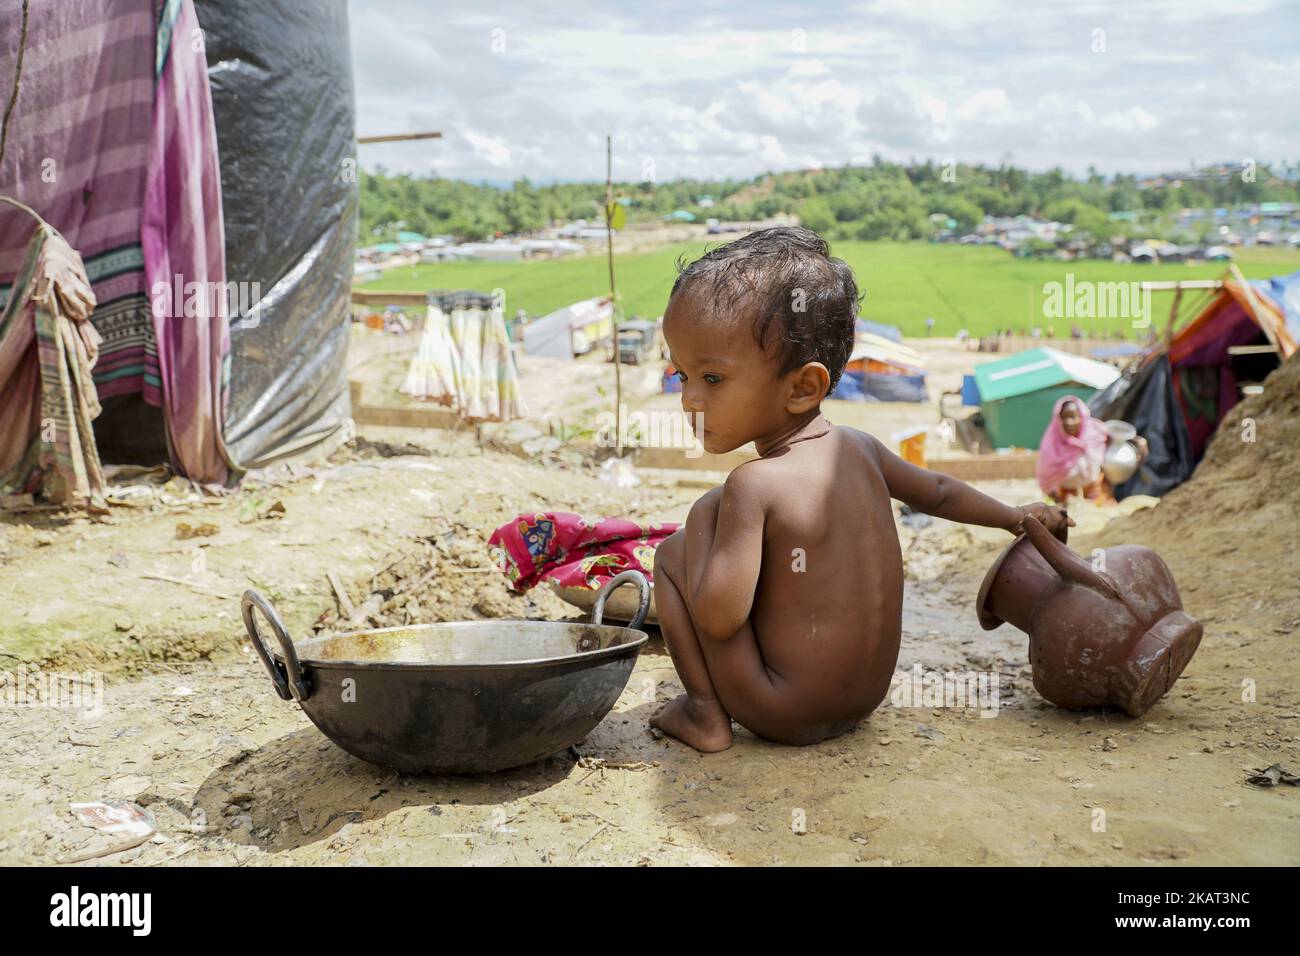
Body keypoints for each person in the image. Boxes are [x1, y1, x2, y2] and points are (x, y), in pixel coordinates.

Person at [649, 227, 1072, 753]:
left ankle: (705, 714)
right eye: (681, 374)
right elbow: (939, 492)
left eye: (711, 379)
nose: (689, 399)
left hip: (779, 709)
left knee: (672, 553)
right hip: (863, 700)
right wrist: (1016, 515)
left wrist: (703, 522)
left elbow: (717, 617)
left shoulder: (753, 484)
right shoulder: (862, 447)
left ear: (803, 387)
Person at [1035, 396, 1147, 505]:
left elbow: (1117, 434)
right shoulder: (1051, 443)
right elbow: (1045, 478)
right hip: (1066, 496)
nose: (1069, 422)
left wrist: (1137, 441)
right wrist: (1060, 503)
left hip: (1096, 490)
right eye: (1064, 417)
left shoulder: (1094, 431)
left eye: (1073, 416)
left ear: (1082, 417)